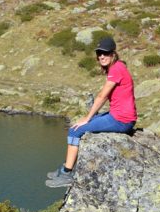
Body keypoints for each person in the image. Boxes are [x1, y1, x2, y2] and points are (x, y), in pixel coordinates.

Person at [46, 36, 137, 188]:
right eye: (99, 53)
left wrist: (88, 118)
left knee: (75, 131)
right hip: (120, 116)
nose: (101, 56)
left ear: (113, 54)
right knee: (80, 125)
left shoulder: (116, 70)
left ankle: (67, 173)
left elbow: (102, 96)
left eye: (105, 53)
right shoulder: (118, 67)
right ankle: (64, 168)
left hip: (121, 120)